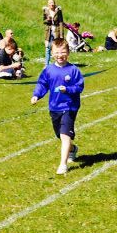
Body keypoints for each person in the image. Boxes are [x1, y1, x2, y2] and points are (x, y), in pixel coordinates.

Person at [31, 37, 85, 174]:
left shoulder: (73, 70)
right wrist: (36, 95)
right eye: (56, 52)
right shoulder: (48, 70)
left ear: (68, 53)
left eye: (63, 52)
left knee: (65, 134)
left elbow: (79, 87)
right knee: (60, 135)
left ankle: (63, 165)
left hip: (69, 107)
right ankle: (73, 149)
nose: (60, 55)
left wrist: (68, 90)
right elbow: (42, 84)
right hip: (54, 107)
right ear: (52, 53)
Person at [43, 0, 65, 65]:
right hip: (48, 32)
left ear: (54, 3)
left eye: (52, 2)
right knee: (48, 47)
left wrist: (61, 34)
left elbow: (61, 22)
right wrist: (48, 19)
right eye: (50, 3)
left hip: (56, 31)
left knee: (57, 47)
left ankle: (57, 63)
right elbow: (44, 21)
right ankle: (46, 65)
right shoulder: (46, 11)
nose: (51, 4)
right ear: (48, 4)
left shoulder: (58, 11)